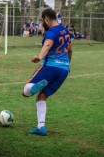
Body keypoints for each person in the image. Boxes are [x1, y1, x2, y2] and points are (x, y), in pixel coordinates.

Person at [22, 8, 73, 136]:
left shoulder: (51, 32)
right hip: (64, 70)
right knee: (42, 96)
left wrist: (40, 56)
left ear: (46, 19)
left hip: (50, 66)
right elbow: (70, 50)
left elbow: (48, 44)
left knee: (26, 90)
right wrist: (68, 64)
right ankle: (41, 127)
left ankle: (33, 86)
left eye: (42, 21)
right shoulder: (65, 31)